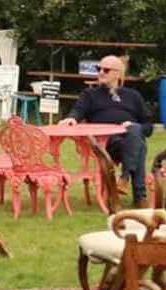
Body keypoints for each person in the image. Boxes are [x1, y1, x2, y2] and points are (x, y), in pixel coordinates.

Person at [59, 55, 152, 204]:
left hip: (128, 141)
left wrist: (134, 126)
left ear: (118, 74)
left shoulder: (133, 96)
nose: (101, 72)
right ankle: (138, 193)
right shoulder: (90, 95)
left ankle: (126, 179)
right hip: (104, 144)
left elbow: (148, 127)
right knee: (139, 144)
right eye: (99, 68)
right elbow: (78, 111)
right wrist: (72, 118)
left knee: (135, 133)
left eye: (106, 70)